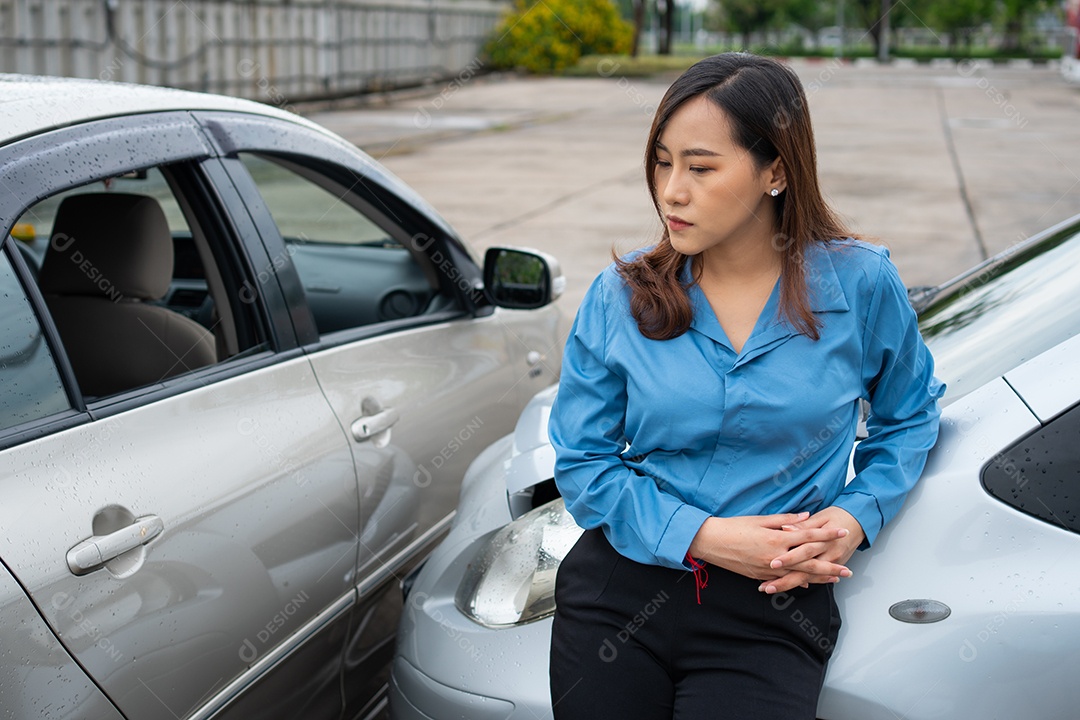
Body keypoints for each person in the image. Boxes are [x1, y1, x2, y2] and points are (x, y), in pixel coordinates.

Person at [547, 52, 945, 719]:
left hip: (772, 615)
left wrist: (854, 517)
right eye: (662, 161)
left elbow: (910, 418)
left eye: (700, 167)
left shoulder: (860, 283)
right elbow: (583, 463)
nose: (672, 189)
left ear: (776, 171)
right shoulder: (620, 297)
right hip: (618, 600)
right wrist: (705, 536)